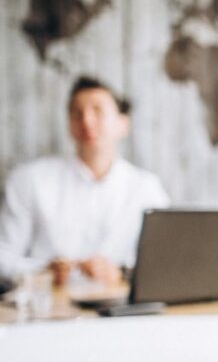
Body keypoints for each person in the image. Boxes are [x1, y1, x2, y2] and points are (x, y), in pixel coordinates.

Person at [0, 76, 170, 285]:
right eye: (77, 113)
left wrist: (122, 273)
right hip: (48, 301)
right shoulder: (29, 180)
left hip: (121, 302)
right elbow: (3, 256)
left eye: (97, 111)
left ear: (123, 124)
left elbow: (166, 260)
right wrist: (43, 271)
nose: (87, 121)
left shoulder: (147, 189)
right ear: (69, 125)